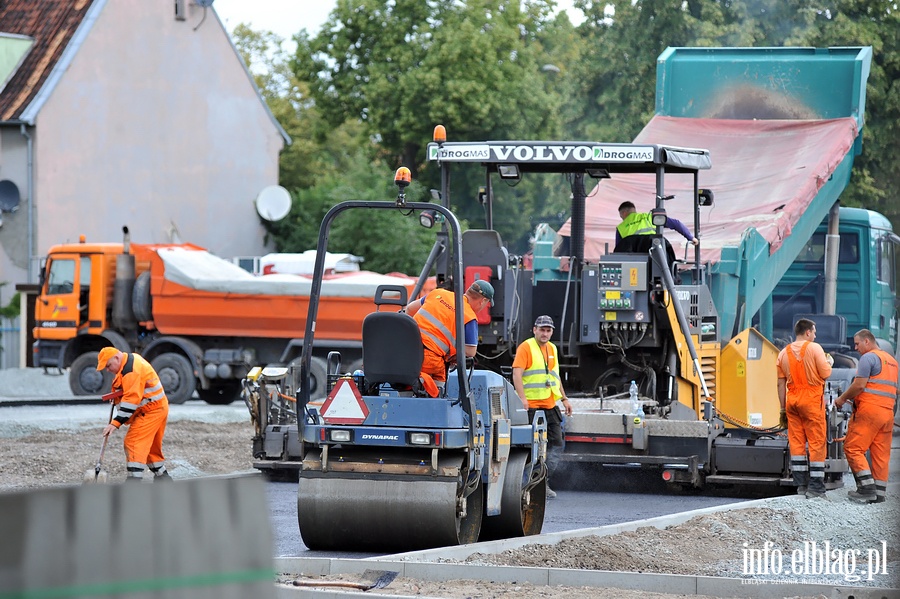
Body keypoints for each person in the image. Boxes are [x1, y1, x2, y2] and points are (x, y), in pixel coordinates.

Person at [512, 315, 572, 499]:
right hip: (531, 406)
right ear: (534, 329)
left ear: (551, 332)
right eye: (542, 329)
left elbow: (555, 377)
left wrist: (564, 399)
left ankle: (542, 483)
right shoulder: (526, 347)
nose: (545, 333)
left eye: (548, 330)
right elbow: (517, 373)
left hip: (549, 404)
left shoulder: (552, 348)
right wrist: (522, 398)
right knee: (529, 447)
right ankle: (523, 485)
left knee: (556, 445)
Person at [835, 329, 898, 504]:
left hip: (870, 411)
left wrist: (842, 399)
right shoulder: (892, 361)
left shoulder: (868, 358)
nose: (855, 348)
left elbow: (859, 385)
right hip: (887, 414)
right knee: (880, 454)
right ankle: (879, 493)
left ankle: (866, 489)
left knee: (853, 448)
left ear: (867, 342)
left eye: (857, 343)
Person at [776, 318, 833, 498]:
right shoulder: (814, 348)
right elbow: (825, 373)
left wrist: (782, 409)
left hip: (792, 401)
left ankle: (801, 486)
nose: (815, 336)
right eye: (814, 332)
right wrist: (829, 362)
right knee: (816, 443)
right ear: (808, 332)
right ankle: (816, 488)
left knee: (797, 443)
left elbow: (780, 384)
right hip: (811, 400)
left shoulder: (783, 353)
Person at [97, 347, 171, 482]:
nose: (107, 370)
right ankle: (164, 480)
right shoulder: (128, 363)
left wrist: (115, 423)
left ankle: (133, 483)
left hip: (151, 410)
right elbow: (130, 389)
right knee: (149, 447)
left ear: (117, 358)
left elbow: (131, 399)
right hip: (157, 407)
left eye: (108, 366)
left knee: (133, 442)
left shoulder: (131, 370)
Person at [405, 280, 494, 388]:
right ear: (483, 300)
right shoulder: (469, 317)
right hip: (427, 359)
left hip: (404, 349)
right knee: (440, 377)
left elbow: (409, 309)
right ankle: (437, 399)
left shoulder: (439, 293)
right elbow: (470, 352)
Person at [615, 201, 698, 248]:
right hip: (654, 255)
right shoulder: (649, 217)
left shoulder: (620, 228)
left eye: (621, 216)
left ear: (624, 213)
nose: (622, 218)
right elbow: (676, 224)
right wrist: (691, 238)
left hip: (632, 260)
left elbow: (618, 249)